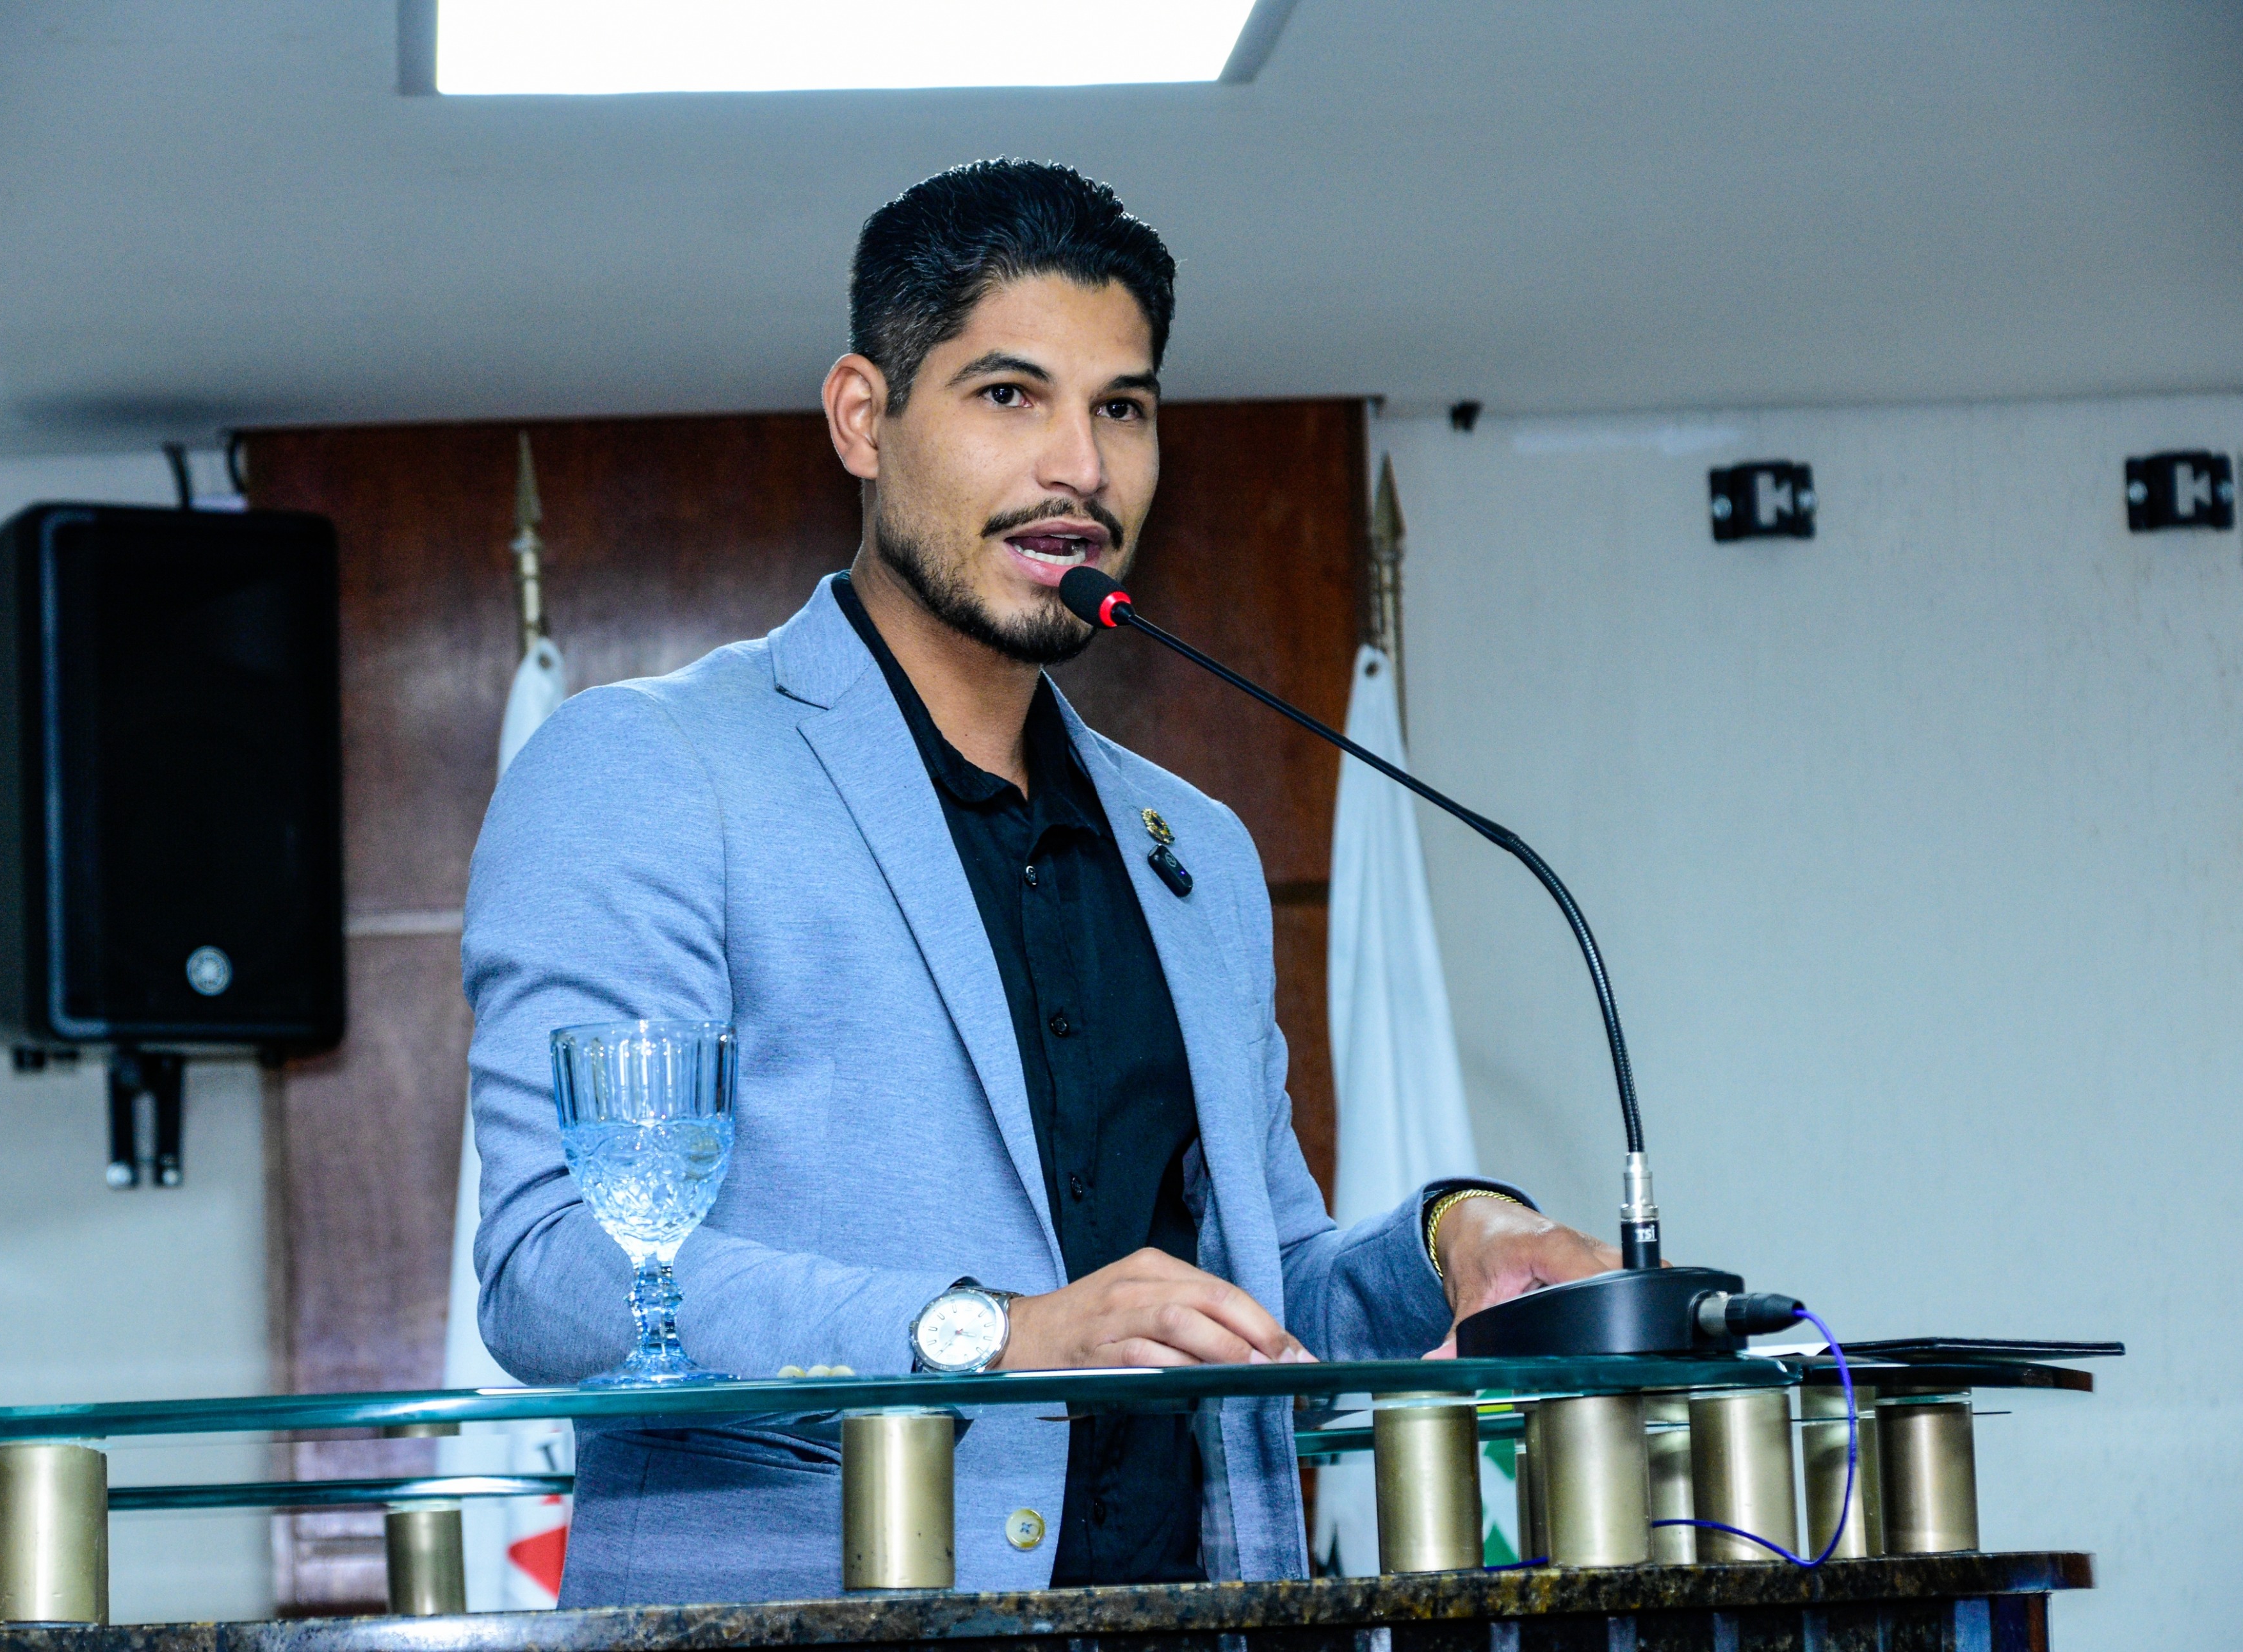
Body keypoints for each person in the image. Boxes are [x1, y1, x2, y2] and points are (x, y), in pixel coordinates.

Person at [462, 158, 1620, 1607]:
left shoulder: (1196, 848)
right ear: (863, 417)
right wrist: (995, 1335)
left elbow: (1254, 1304)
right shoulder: (650, 767)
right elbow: (554, 1270)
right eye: (1010, 395)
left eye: (1122, 408)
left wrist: (1454, 1240)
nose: (1080, 465)